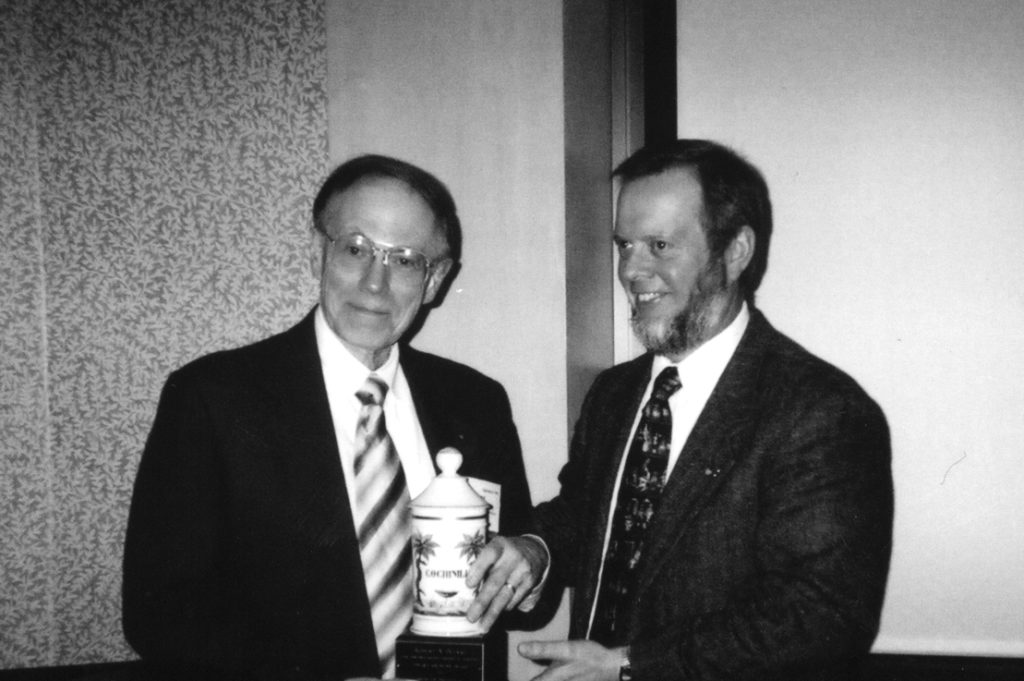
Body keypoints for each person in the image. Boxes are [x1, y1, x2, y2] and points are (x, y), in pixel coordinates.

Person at [123, 154, 545, 680]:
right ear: (316, 252)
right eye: (356, 249)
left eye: (405, 259)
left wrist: (531, 559)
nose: (375, 283)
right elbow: (157, 614)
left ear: (435, 281)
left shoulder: (476, 400)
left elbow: (522, 566)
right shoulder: (213, 399)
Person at [518, 140, 893, 681]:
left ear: (735, 252)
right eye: (625, 244)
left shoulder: (819, 410)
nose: (631, 270)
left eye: (660, 245)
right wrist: (536, 549)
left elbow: (820, 616)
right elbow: (587, 514)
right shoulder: (614, 393)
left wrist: (631, 667)